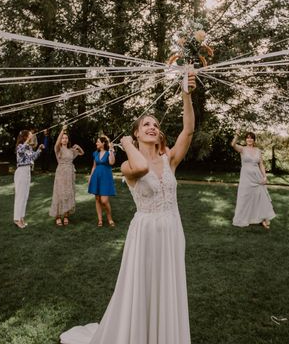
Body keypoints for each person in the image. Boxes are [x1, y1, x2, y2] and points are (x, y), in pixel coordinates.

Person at [60, 73, 196, 344]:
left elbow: (188, 131)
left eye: (155, 124)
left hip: (171, 229)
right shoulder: (126, 167)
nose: (152, 127)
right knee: (143, 288)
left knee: (168, 287)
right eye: (146, 124)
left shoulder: (169, 160)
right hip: (145, 233)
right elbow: (142, 167)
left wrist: (186, 93)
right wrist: (125, 144)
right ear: (136, 132)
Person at [230, 131, 276, 229]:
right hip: (246, 177)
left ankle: (263, 219)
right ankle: (245, 218)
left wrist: (265, 176)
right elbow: (233, 144)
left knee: (261, 196)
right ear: (245, 139)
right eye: (247, 138)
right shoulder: (242, 149)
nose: (249, 139)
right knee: (245, 197)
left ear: (254, 140)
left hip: (257, 176)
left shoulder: (258, 150)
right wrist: (237, 135)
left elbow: (261, 164)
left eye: (251, 138)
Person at [50, 127, 84, 226]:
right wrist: (62, 130)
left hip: (70, 173)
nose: (64, 139)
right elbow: (56, 143)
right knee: (59, 193)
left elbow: (82, 153)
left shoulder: (71, 150)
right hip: (61, 172)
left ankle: (65, 215)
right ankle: (57, 217)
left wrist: (78, 147)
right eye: (63, 138)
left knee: (68, 193)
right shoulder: (58, 149)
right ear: (61, 140)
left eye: (66, 138)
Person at [13, 130, 44, 229]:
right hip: (21, 171)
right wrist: (27, 141)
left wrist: (39, 149)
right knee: (20, 196)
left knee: (25, 196)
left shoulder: (29, 147)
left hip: (27, 171)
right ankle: (17, 219)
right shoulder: (20, 146)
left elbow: (32, 158)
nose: (32, 137)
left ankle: (22, 218)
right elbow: (21, 151)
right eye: (30, 136)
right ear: (26, 137)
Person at [87, 136, 117, 227]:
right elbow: (94, 166)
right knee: (97, 198)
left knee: (104, 200)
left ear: (103, 143)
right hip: (96, 177)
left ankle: (109, 218)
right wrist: (90, 177)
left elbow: (112, 162)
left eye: (98, 142)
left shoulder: (109, 152)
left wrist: (111, 149)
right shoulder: (95, 153)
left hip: (106, 177)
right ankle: (100, 219)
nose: (96, 143)